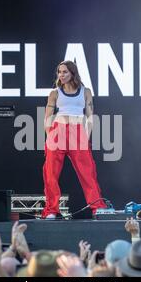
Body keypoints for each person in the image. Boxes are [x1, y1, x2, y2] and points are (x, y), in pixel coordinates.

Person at [42, 60, 107, 219]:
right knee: (51, 173)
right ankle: (51, 210)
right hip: (57, 132)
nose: (61, 75)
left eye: (65, 72)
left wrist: (86, 136)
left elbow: (90, 117)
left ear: (72, 73)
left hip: (77, 133)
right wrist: (50, 135)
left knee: (88, 173)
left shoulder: (85, 91)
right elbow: (47, 118)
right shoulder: (55, 93)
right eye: (59, 72)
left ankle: (97, 207)